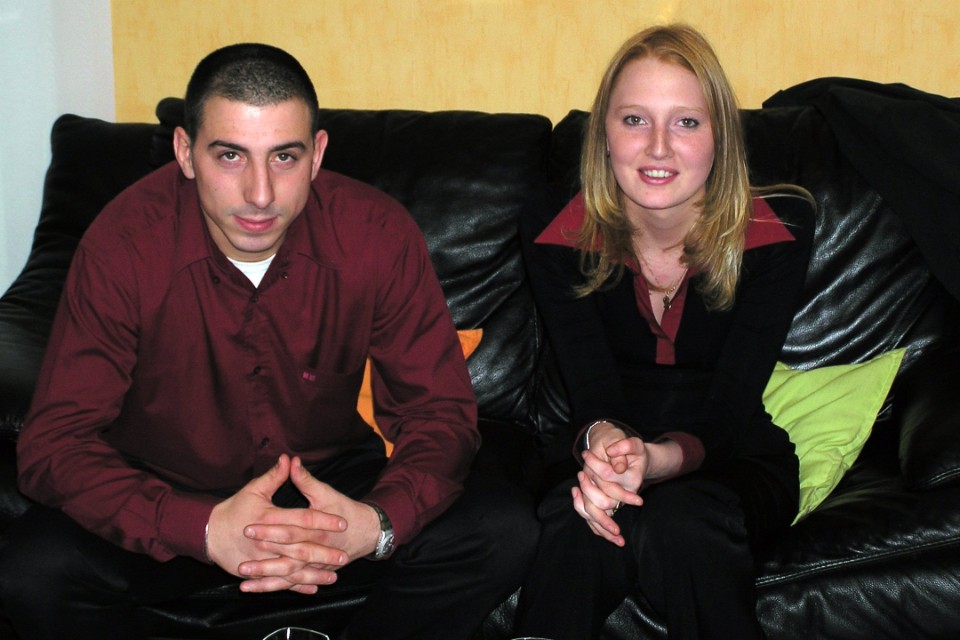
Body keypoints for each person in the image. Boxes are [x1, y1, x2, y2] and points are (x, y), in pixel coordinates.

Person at [0, 43, 536, 640]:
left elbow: (439, 414)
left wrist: (375, 522)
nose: (260, 194)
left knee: (499, 529)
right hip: (169, 490)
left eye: (284, 157)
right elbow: (54, 443)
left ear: (317, 154)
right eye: (230, 156)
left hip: (329, 488)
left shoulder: (377, 234)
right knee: (32, 569)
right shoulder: (122, 245)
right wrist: (202, 528)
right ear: (185, 153)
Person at [514, 24, 814, 639]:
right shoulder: (556, 225)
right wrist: (607, 447)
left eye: (686, 122)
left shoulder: (776, 230)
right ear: (604, 134)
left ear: (720, 136)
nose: (657, 148)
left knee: (682, 525)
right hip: (601, 443)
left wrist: (657, 460)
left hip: (729, 454)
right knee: (576, 526)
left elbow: (731, 405)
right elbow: (589, 385)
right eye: (634, 120)